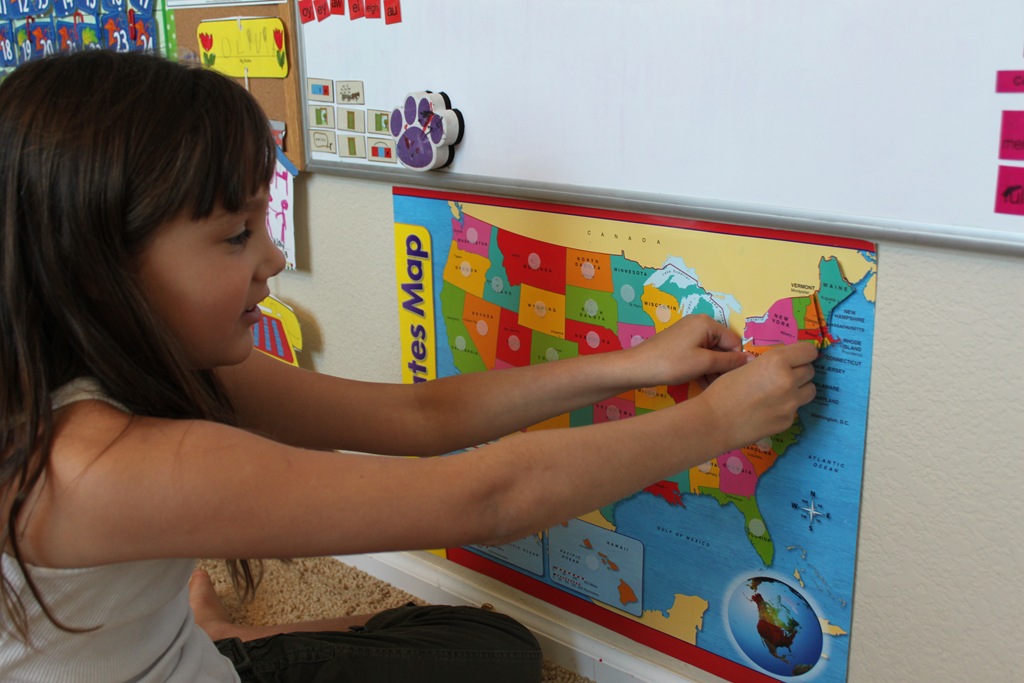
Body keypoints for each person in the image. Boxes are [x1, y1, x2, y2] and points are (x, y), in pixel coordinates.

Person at [0, 50, 818, 683]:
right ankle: (225, 641)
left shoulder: (141, 360)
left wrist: (631, 364)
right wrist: (716, 422)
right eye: (236, 234)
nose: (273, 257)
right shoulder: (94, 468)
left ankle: (214, 635)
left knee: (491, 646)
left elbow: (421, 417)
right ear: (98, 268)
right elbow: (487, 498)